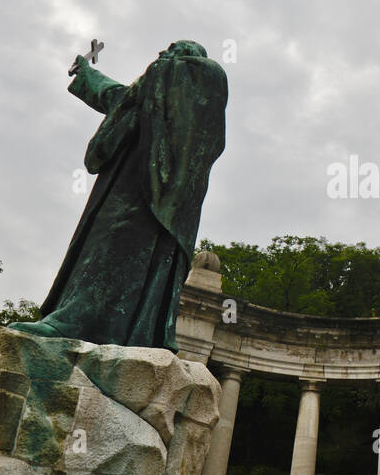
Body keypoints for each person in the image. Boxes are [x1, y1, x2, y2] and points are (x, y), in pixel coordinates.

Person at [12, 40, 227, 351]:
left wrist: (157, 73)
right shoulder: (148, 98)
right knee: (98, 247)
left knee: (115, 244)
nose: (161, 56)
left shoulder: (203, 78)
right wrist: (86, 73)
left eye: (171, 50)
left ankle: (78, 320)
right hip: (128, 180)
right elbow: (117, 96)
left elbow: (145, 89)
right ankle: (81, 319)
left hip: (156, 195)